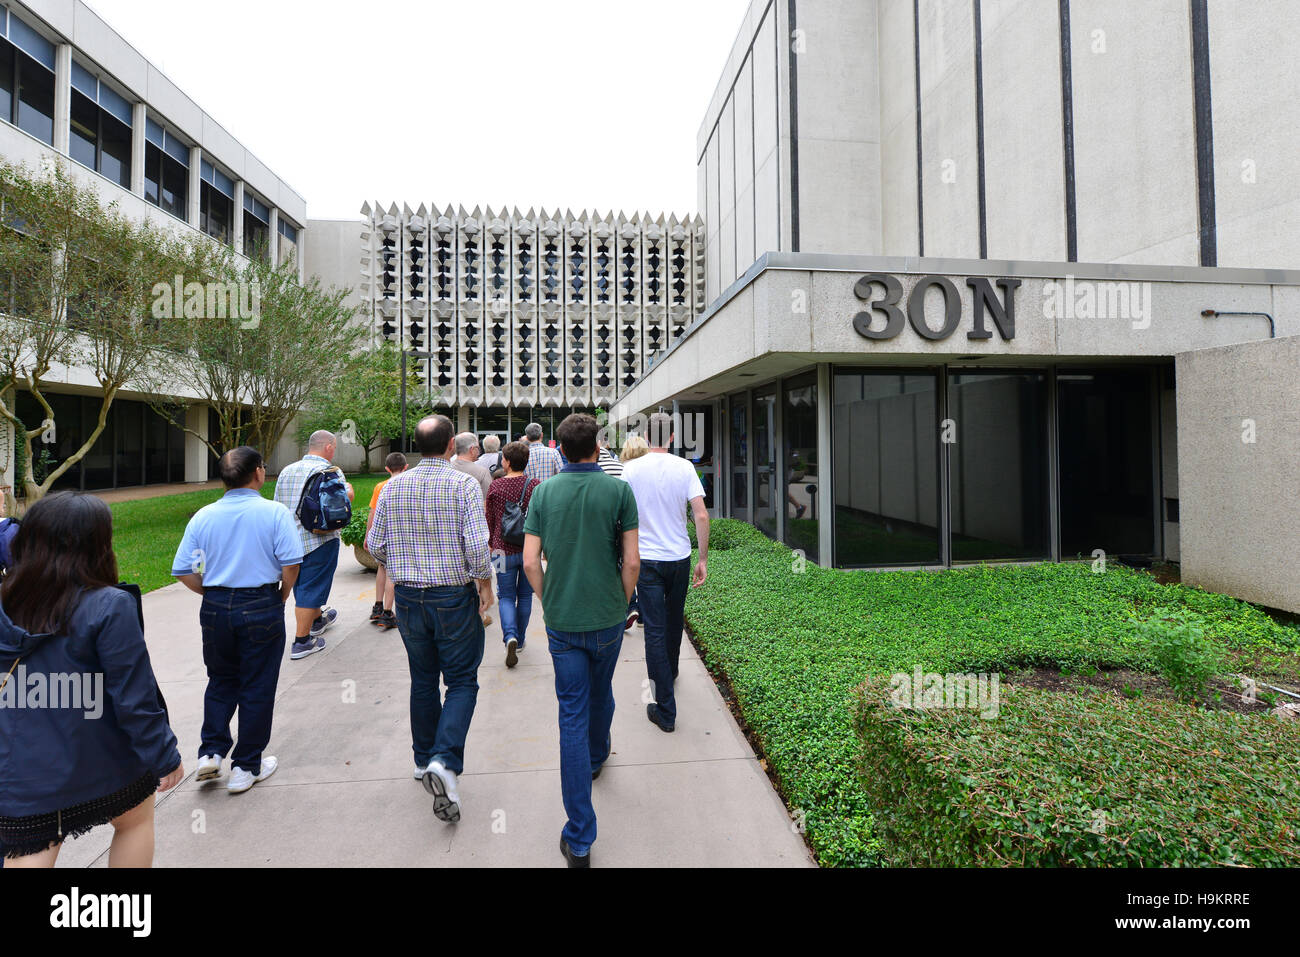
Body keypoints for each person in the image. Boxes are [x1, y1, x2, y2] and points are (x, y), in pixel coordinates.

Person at [0, 493, 183, 867]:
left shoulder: (6, 600)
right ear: (96, 543)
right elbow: (134, 698)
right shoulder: (108, 605)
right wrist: (164, 756)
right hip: (104, 761)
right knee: (135, 822)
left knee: (30, 851)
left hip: (22, 773)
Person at [523, 413, 639, 868]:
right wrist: (621, 599)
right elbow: (632, 561)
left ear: (561, 450)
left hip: (563, 621)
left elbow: (531, 562)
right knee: (601, 691)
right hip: (608, 616)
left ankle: (580, 838)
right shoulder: (619, 490)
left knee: (571, 710)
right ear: (596, 447)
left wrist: (548, 598)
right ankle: (598, 753)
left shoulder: (544, 492)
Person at [366, 415, 494, 825]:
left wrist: (401, 566)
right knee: (461, 681)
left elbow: (374, 544)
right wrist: (484, 585)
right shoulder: (463, 485)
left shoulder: (393, 486)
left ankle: (424, 760)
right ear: (451, 443)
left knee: (422, 680)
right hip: (452, 597)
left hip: (407, 599)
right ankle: (443, 759)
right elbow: (477, 544)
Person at [172, 447, 303, 794]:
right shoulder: (274, 512)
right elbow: (291, 562)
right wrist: (283, 594)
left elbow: (182, 569)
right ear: (259, 473)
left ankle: (210, 752)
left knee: (221, 679)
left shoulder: (203, 516)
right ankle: (246, 765)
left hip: (216, 606)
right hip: (261, 602)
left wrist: (214, 593)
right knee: (258, 685)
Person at [622, 413, 710, 734]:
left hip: (646, 560)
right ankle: (669, 671)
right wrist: (702, 558)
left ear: (646, 436)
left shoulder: (629, 470)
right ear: (672, 437)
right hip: (680, 557)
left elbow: (621, 515)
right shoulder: (684, 467)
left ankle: (665, 709)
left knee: (655, 630)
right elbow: (700, 514)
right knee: (674, 620)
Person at [274, 430, 355, 660]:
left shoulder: (286, 471)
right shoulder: (331, 471)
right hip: (319, 539)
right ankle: (302, 641)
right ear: (328, 447)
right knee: (310, 588)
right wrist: (349, 491)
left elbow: (278, 506)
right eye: (335, 447)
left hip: (290, 541)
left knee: (304, 584)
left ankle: (317, 619)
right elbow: (341, 502)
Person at [485, 441, 540, 668]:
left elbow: (489, 519)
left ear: (506, 462)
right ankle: (521, 640)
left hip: (499, 550)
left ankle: (510, 636)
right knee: (525, 596)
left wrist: (490, 542)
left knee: (505, 596)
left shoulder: (495, 487)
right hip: (529, 549)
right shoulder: (535, 485)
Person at [368, 452, 410, 630]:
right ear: (406, 467)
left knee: (382, 568)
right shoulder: (407, 484)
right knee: (392, 572)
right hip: (398, 533)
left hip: (382, 532)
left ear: (386, 468)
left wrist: (368, 534)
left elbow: (373, 512)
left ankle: (377, 605)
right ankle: (387, 612)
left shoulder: (380, 486)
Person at [451, 432, 493, 501]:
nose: (479, 452)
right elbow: (487, 501)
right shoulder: (482, 472)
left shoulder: (446, 468)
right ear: (472, 449)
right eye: (478, 448)